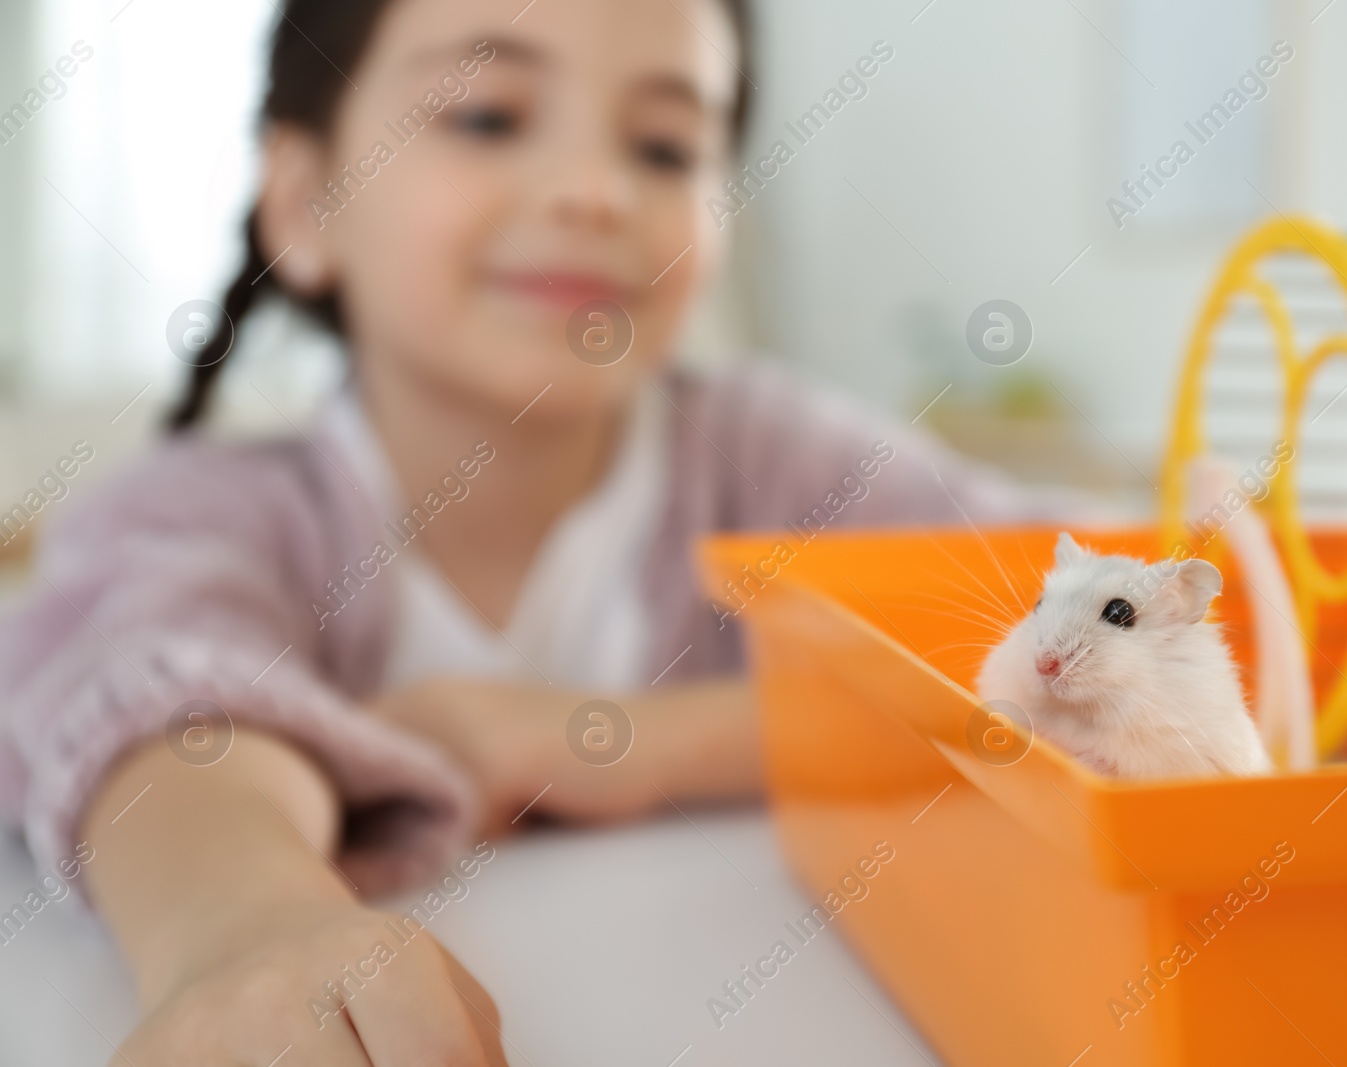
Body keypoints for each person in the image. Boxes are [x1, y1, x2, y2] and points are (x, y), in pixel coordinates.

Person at [0, 0, 1083, 1061]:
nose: (595, 192)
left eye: (664, 147)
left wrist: (641, 740)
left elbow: (1107, 618)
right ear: (304, 204)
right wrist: (246, 925)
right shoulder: (202, 511)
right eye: (486, 117)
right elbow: (155, 707)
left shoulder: (776, 456)